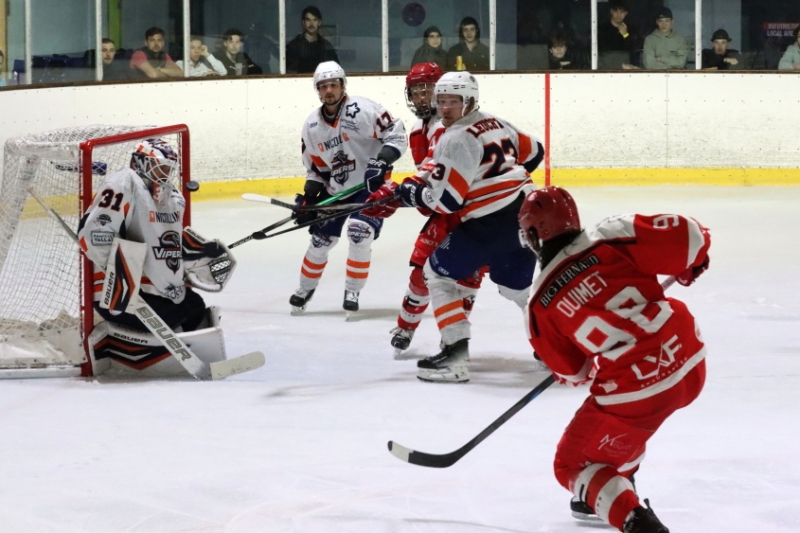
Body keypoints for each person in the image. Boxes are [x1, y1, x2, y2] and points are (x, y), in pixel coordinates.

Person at [519, 186, 711, 533]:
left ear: (535, 233)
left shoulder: (538, 306)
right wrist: (694, 263)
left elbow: (575, 373)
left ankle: (635, 521)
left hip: (637, 390)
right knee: (619, 429)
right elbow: (694, 237)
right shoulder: (611, 234)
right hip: (690, 359)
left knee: (571, 464)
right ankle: (613, 486)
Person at [390, 71, 544, 382]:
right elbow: (535, 151)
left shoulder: (455, 137)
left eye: (453, 102)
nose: (445, 109)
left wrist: (412, 194)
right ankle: (553, 347)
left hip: (490, 223)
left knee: (436, 273)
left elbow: (448, 202)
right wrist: (501, 181)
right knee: (518, 290)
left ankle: (454, 358)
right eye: (441, 102)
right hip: (524, 216)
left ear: (469, 101)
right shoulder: (493, 121)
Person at [77, 139, 235, 335]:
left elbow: (167, 239)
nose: (165, 174)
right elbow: (93, 235)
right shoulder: (124, 184)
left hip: (158, 291)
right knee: (171, 316)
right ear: (140, 162)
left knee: (195, 308)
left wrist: (191, 256)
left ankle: (170, 352)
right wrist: (123, 276)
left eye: (168, 169)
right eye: (159, 167)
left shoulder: (173, 196)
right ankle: (144, 354)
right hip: (118, 294)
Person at [288, 61, 407, 315]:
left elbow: (396, 133)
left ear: (343, 85)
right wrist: (310, 198)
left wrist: (382, 160)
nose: (329, 90)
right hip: (337, 189)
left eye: (333, 84)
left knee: (359, 232)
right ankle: (304, 288)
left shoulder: (364, 109)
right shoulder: (311, 126)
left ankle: (352, 290)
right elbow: (316, 169)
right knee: (320, 241)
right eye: (323, 86)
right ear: (317, 91)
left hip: (370, 187)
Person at [286, 6, 339, 74]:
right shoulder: (294, 46)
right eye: (308, 20)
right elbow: (289, 73)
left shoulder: (326, 46)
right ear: (303, 23)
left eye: (315, 20)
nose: (311, 24)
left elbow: (335, 71)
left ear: (319, 22)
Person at [598, 0, 641, 70]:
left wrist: (625, 35)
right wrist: (620, 65)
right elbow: (601, 55)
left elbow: (635, 49)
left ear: (626, 13)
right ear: (611, 11)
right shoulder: (602, 30)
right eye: (616, 11)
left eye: (622, 12)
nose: (618, 15)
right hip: (607, 68)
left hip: (627, 69)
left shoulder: (631, 29)